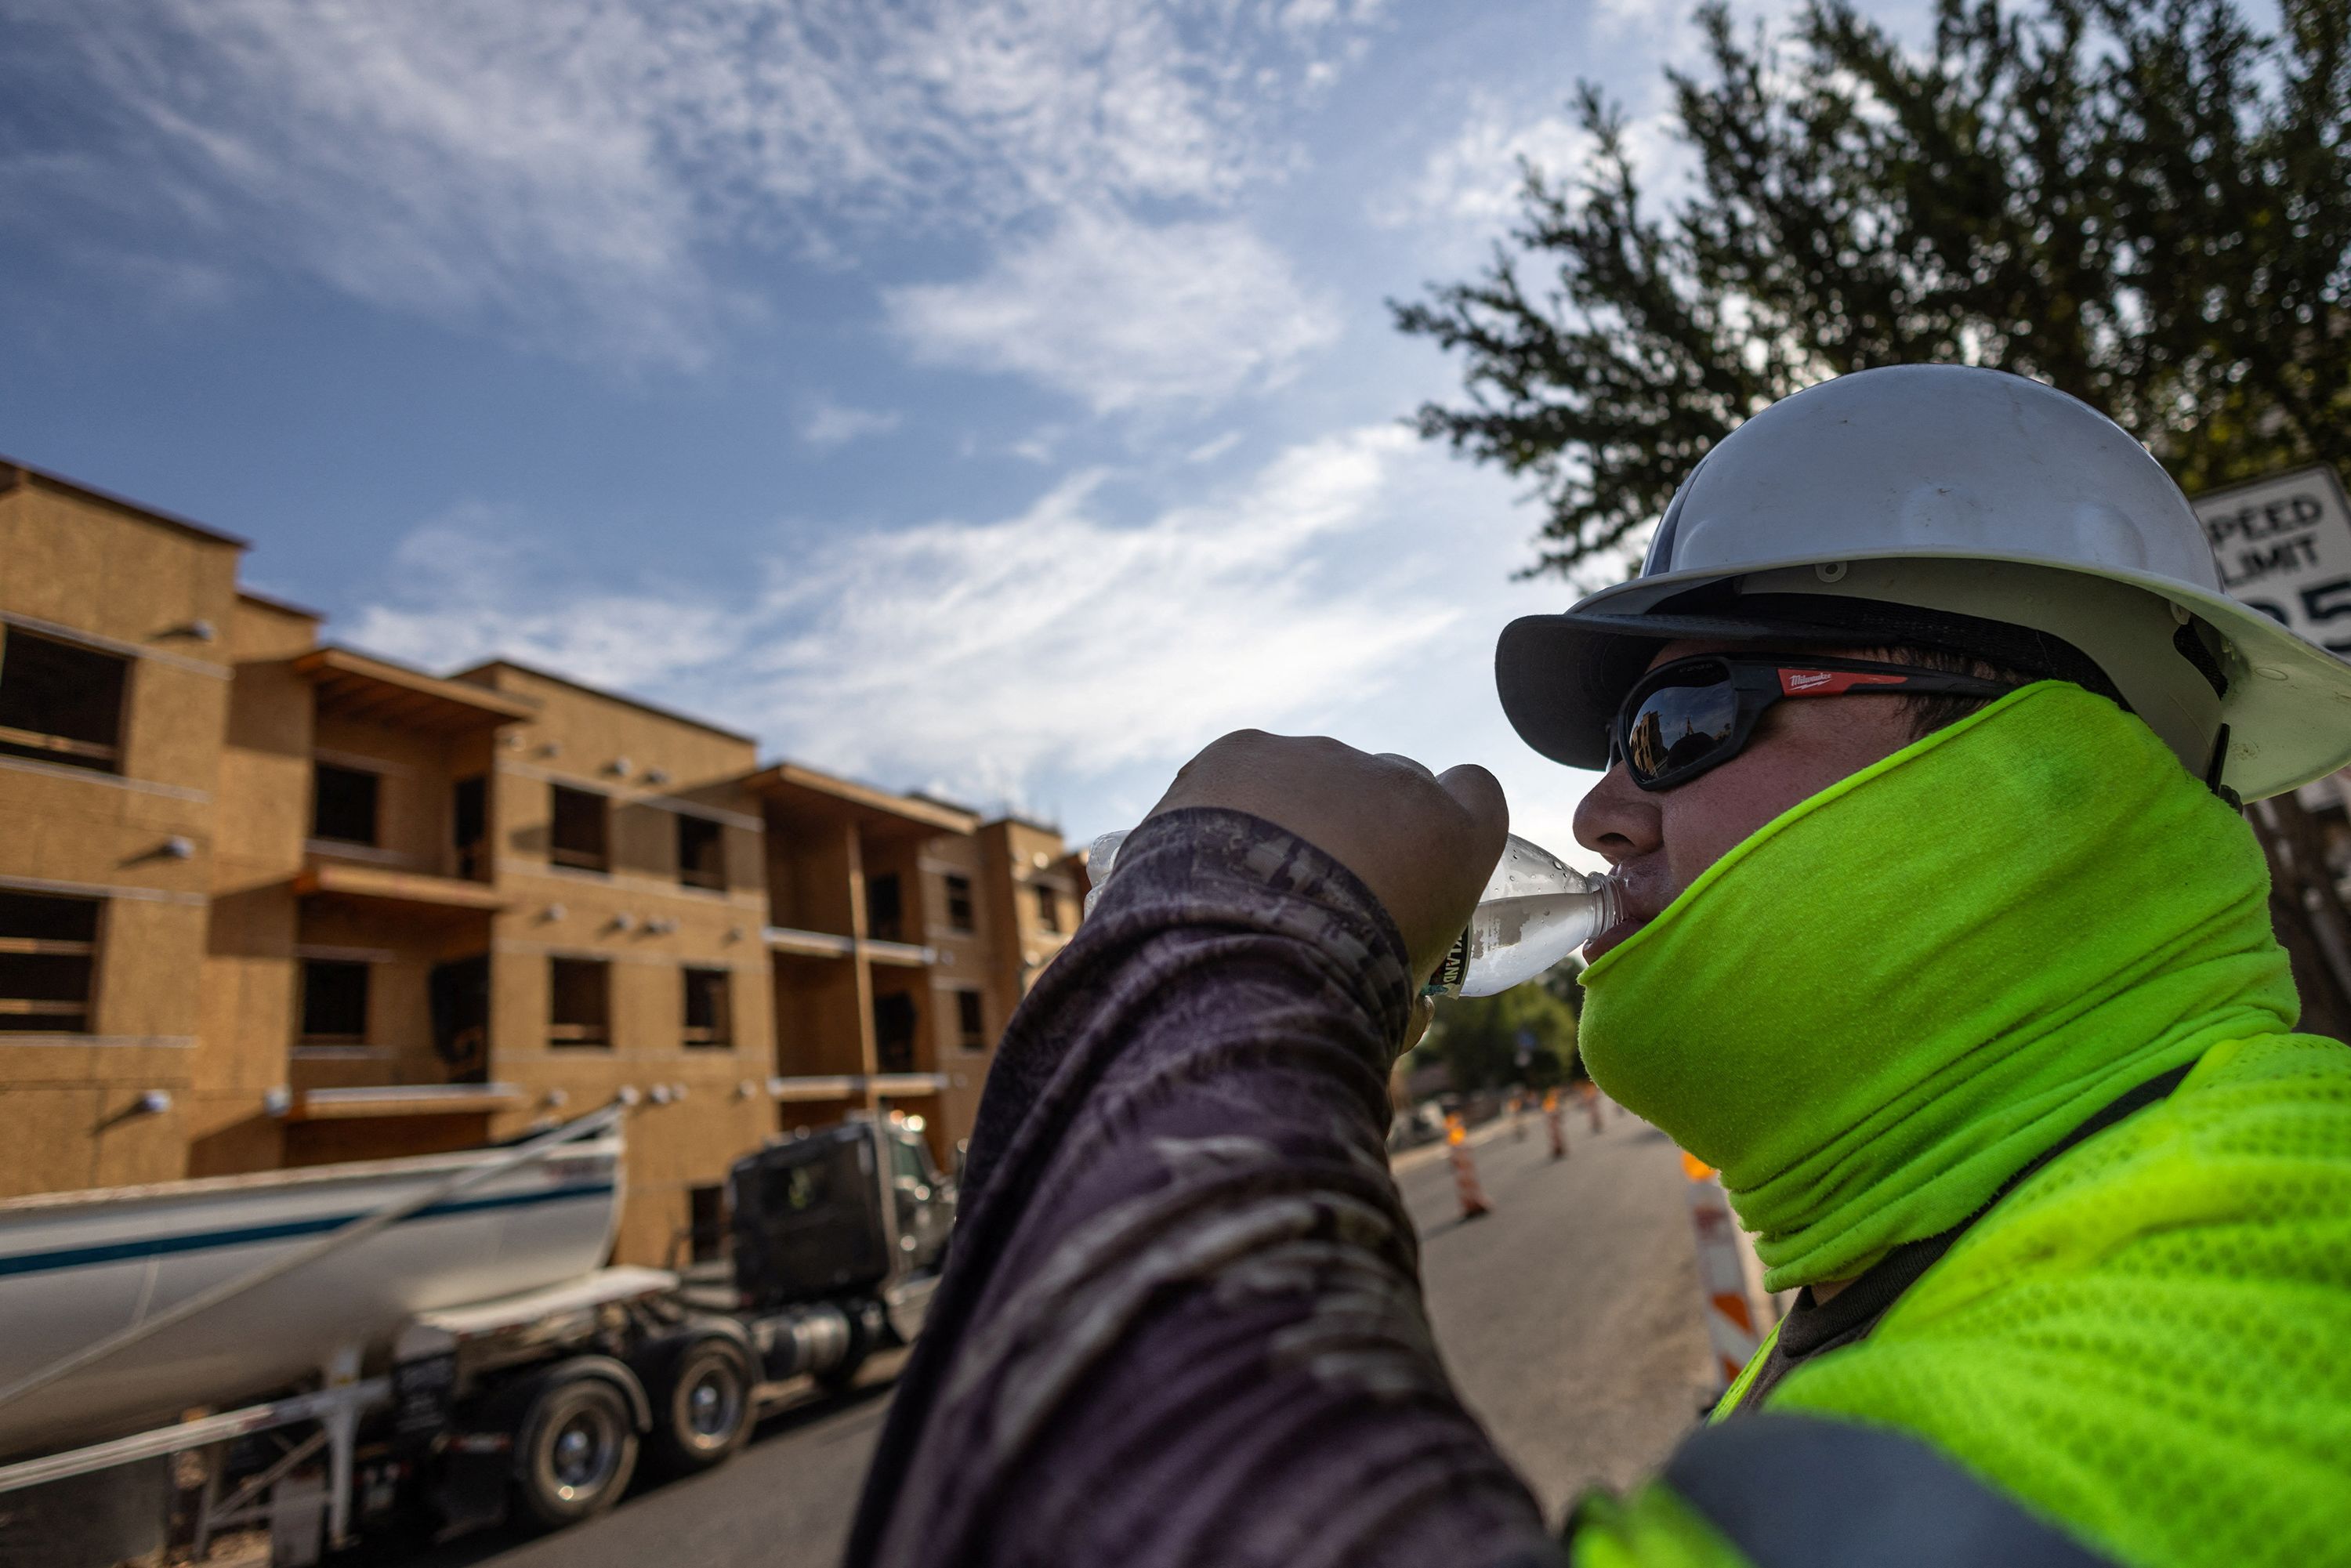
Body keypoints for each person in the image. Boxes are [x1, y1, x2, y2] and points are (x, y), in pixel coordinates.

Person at [846, 368, 2351, 1567]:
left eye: (1682, 721)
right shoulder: (1993, 1232)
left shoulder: (2263, 1278)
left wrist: (1242, 933)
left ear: (2029, 759)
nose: (1596, 812)